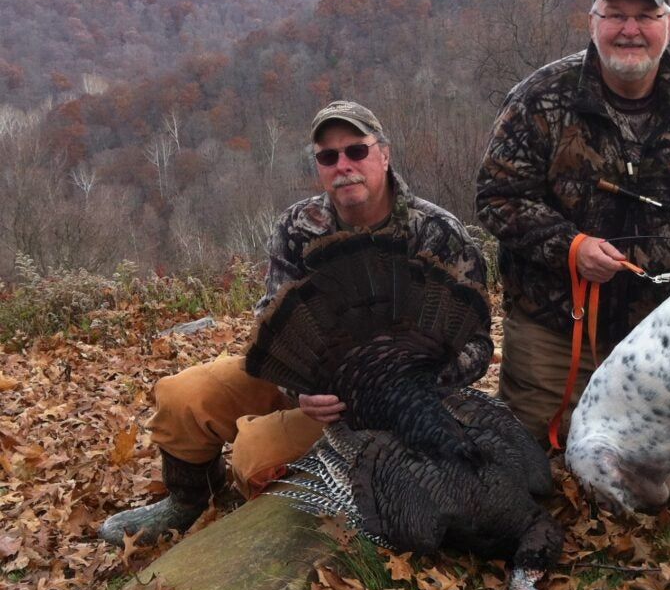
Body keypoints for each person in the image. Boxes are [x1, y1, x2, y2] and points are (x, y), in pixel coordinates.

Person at [100, 101, 492, 546]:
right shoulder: (299, 225)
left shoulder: (436, 232)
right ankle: (188, 501)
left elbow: (477, 344)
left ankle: (302, 504)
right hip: (310, 384)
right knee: (182, 395)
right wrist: (297, 390)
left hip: (386, 407)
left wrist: (407, 387)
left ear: (384, 154)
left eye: (356, 151)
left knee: (254, 457)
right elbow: (271, 318)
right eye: (328, 157)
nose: (343, 166)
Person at [476, 0, 670, 441]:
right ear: (593, 23)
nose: (631, 29)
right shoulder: (540, 98)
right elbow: (497, 196)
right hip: (556, 331)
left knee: (665, 471)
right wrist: (570, 247)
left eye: (646, 16)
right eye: (616, 15)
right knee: (536, 464)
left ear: (668, 24)